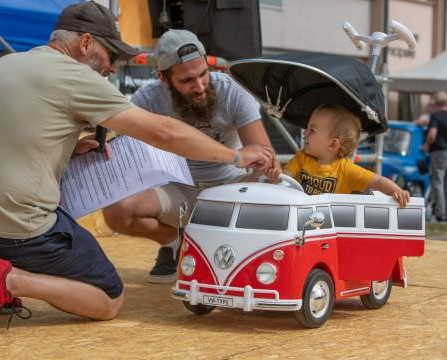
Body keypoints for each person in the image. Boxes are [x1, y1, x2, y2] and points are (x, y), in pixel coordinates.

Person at [0, 2, 275, 336]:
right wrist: (236, 158)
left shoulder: (4, 64)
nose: (112, 69)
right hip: (17, 227)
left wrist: (68, 148)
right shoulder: (72, 75)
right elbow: (164, 133)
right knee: (108, 298)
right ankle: (8, 280)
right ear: (85, 44)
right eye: (110, 54)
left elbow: (7, 137)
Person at [103, 29, 280, 283]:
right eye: (187, 80)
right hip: (178, 189)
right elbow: (124, 156)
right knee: (118, 209)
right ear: (162, 78)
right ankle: (175, 242)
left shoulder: (233, 91)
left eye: (203, 74)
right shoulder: (147, 98)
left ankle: (247, 255)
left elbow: (265, 156)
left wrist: (268, 166)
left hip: (228, 189)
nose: (199, 87)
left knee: (275, 186)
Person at [268, 105, 410, 207]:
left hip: (331, 226)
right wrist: (277, 176)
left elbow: (377, 181)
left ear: (332, 145)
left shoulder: (346, 169)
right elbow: (286, 177)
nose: (305, 132)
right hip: (302, 219)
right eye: (307, 127)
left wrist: (397, 191)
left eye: (312, 130)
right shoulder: (301, 158)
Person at [424, 92, 447, 221]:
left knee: (438, 181)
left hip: (439, 152)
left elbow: (432, 134)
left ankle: (441, 213)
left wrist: (427, 144)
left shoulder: (436, 116)